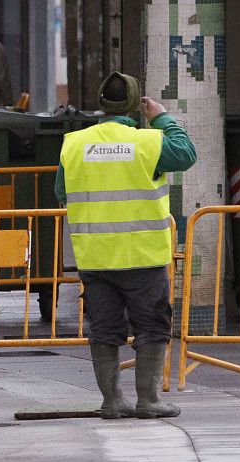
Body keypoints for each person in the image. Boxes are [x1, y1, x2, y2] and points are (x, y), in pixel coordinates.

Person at [54, 72, 196, 420]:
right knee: (152, 325)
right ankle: (148, 400)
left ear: (101, 104)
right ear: (135, 107)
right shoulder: (148, 142)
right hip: (142, 256)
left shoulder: (74, 144)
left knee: (104, 328)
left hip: (96, 259)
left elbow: (62, 193)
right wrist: (161, 117)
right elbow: (186, 153)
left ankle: (112, 401)